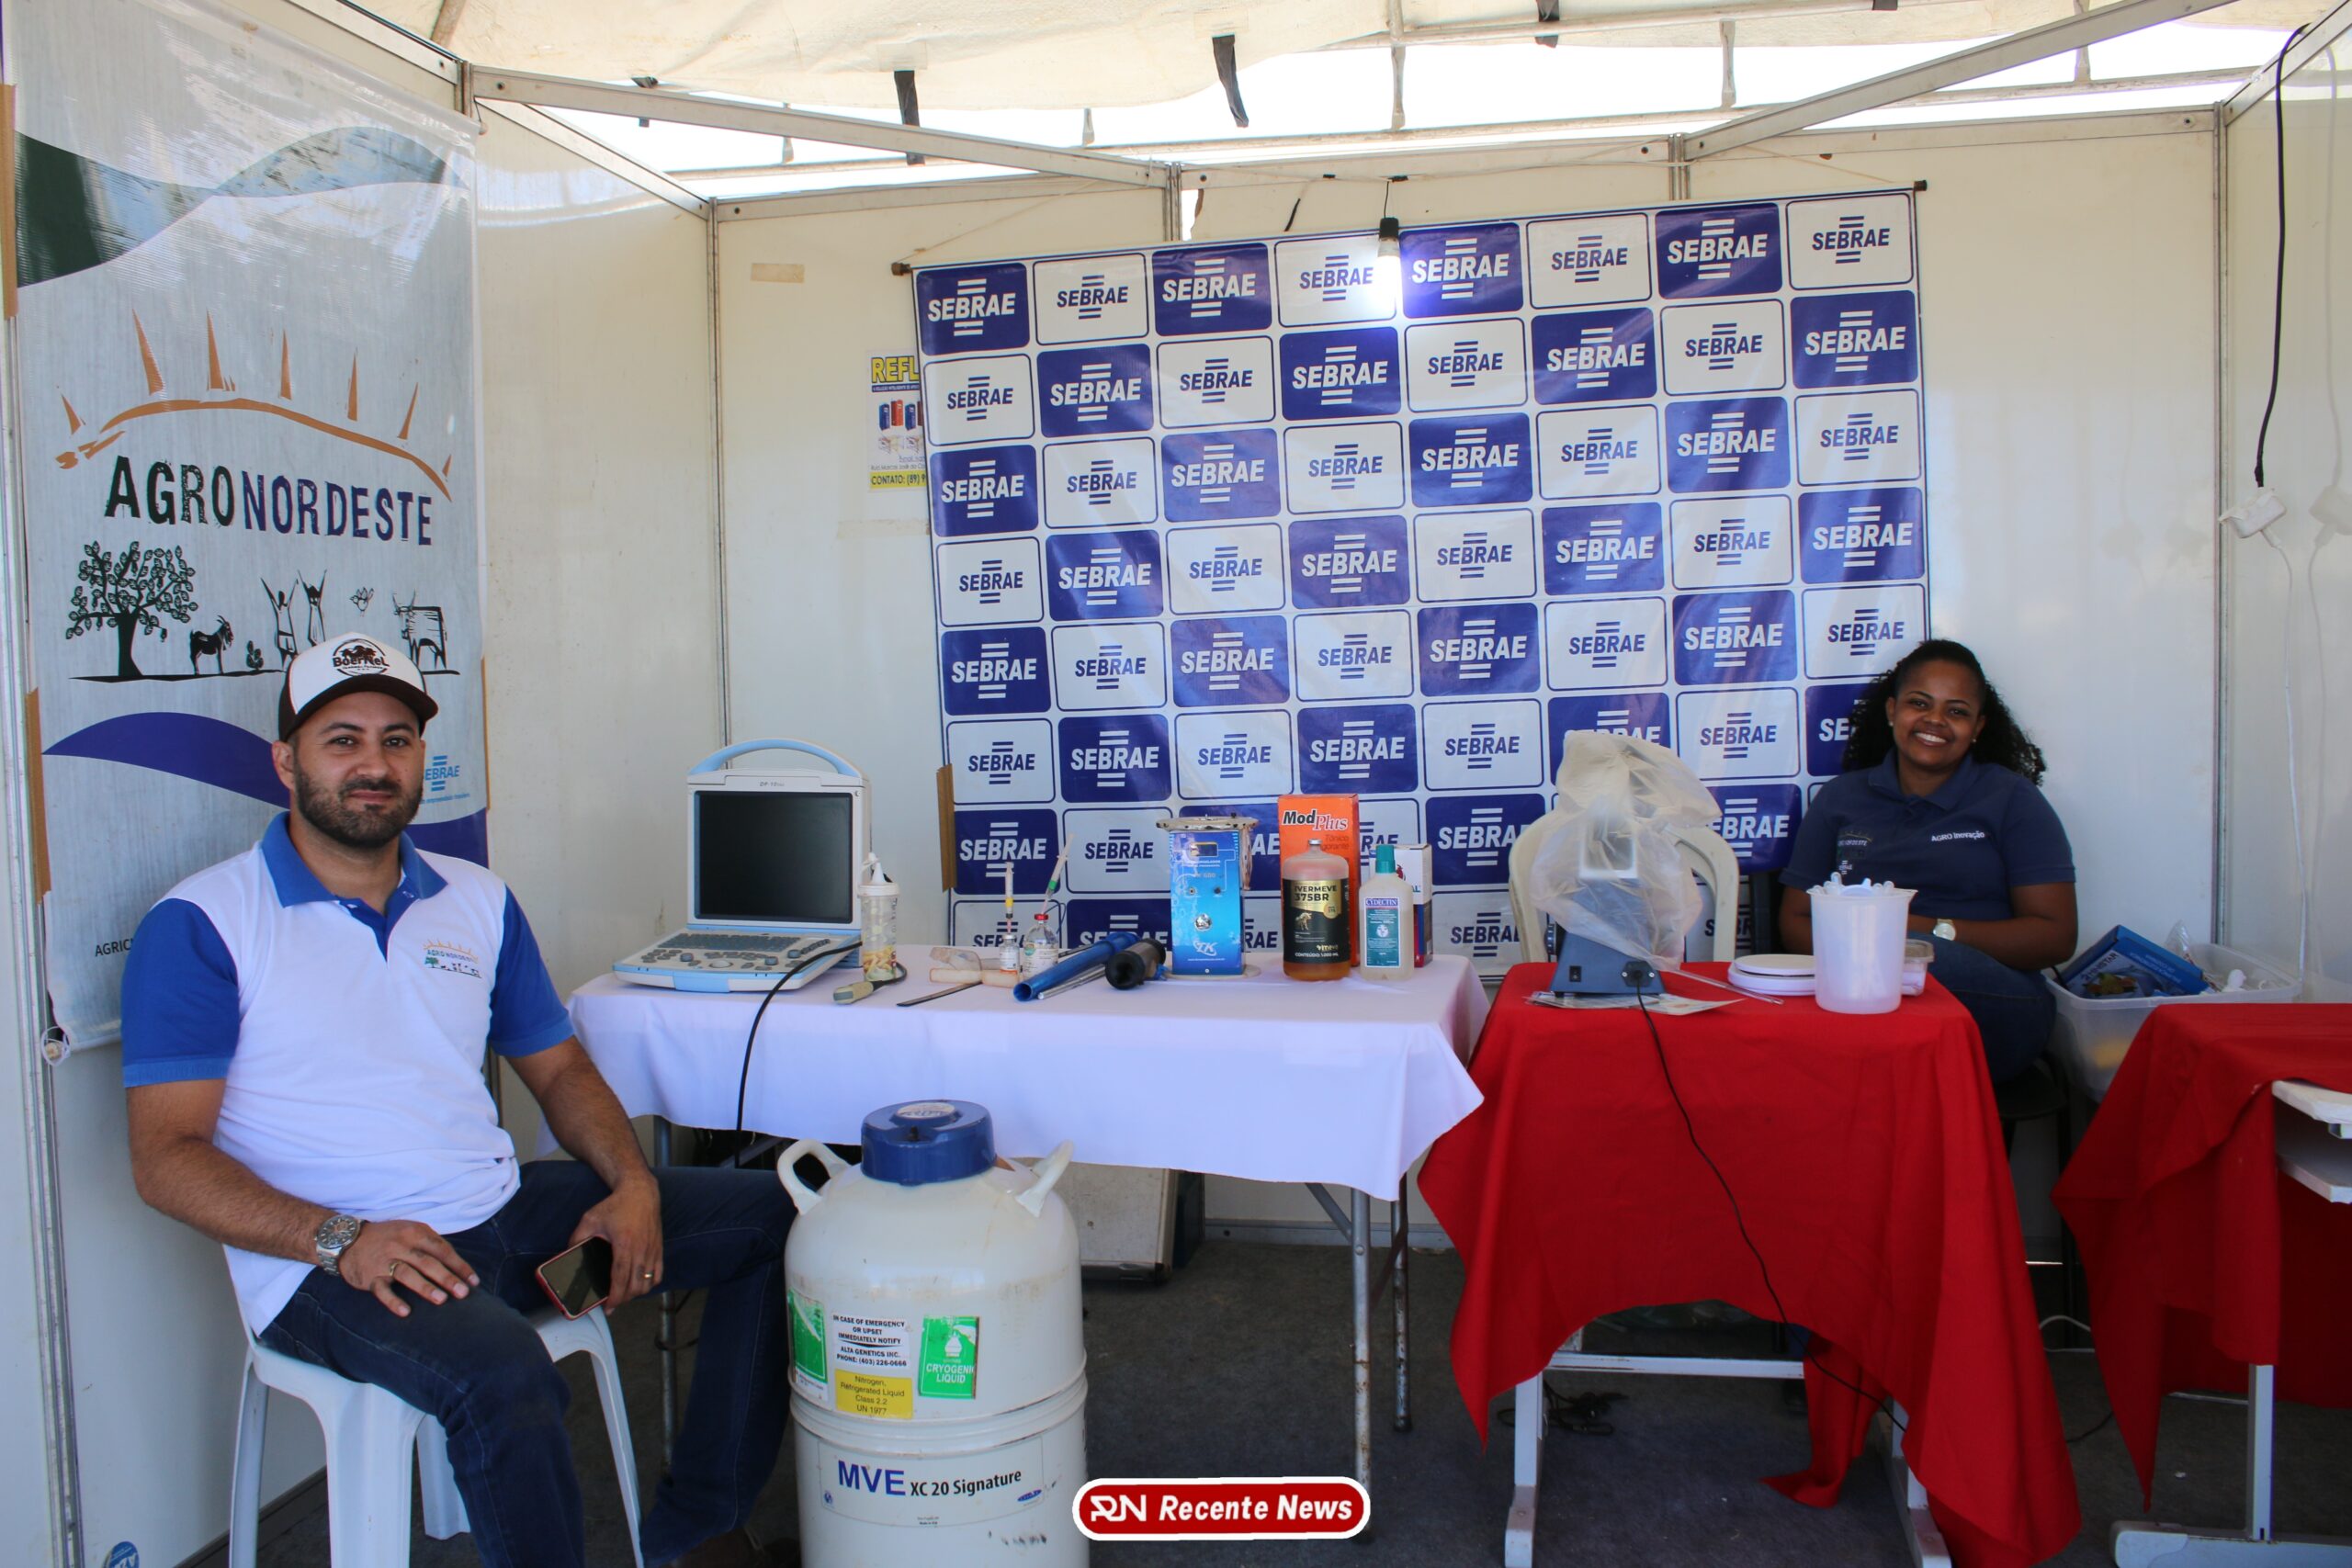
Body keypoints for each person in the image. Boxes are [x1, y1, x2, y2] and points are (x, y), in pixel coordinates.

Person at [119, 633, 794, 1568]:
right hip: (335, 1267)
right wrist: (341, 1238)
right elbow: (166, 1158)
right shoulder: (204, 923)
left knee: (778, 1220)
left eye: (396, 740)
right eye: (342, 740)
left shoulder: (476, 901)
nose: (374, 765)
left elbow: (559, 1070)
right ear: (286, 762)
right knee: (504, 1375)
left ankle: (697, 1530)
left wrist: (632, 1185)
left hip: (507, 1230)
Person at [1777, 637, 2077, 1084]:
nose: (1935, 720)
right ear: (1892, 710)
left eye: (1956, 711)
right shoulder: (1841, 798)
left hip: (1991, 1005)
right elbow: (1796, 919)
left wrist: (1924, 934)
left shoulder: (2012, 799)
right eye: (1919, 703)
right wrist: (1870, 963)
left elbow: (2055, 937)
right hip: (1862, 994)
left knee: (1929, 961)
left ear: (1978, 727)